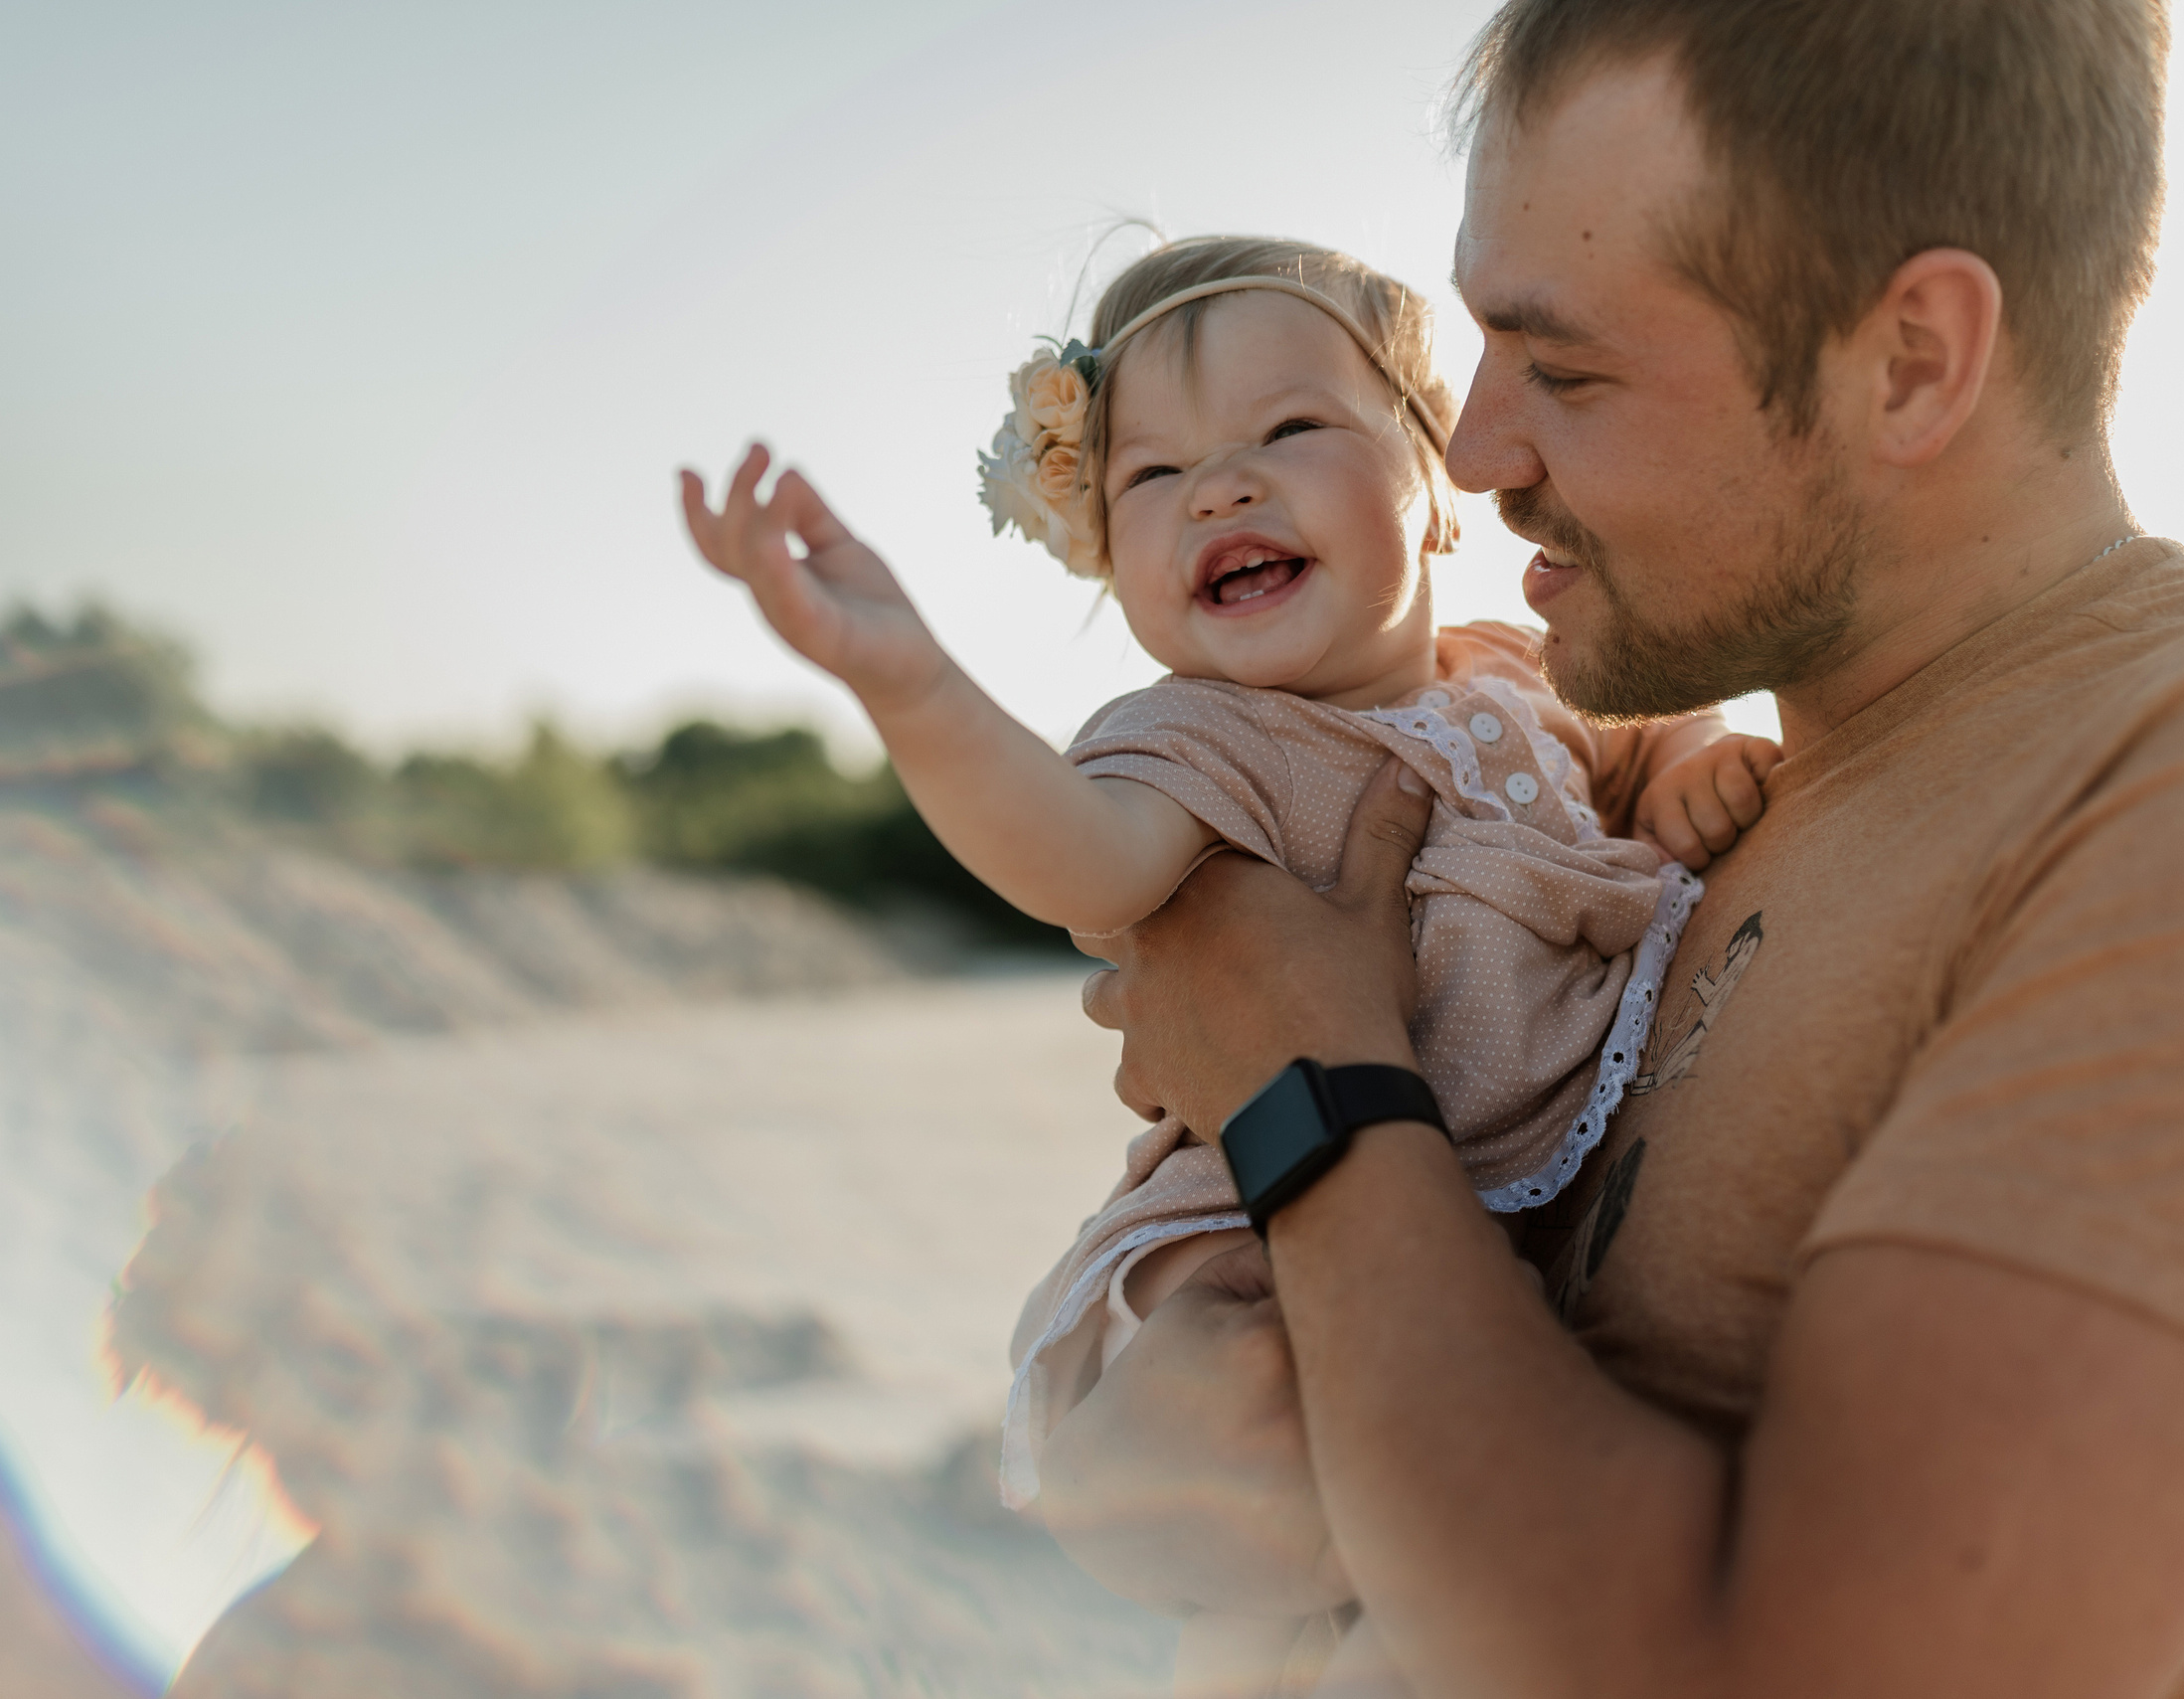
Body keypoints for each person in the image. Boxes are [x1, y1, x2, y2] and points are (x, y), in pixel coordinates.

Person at [1046, 3, 2184, 1697]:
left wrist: (1310, 1086)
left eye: (1570, 366)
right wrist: (1156, 1465)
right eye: (1479, 345)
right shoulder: (1662, 815)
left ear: (1910, 359)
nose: (1474, 451)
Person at [677, 234, 1780, 1677]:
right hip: (1262, 1235)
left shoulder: (1521, 671)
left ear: (1435, 480)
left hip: (1474, 1237)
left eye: (1290, 428)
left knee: (1440, 1476)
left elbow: (1647, 745)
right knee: (1251, 1405)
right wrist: (912, 684)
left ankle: (1322, 1610)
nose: (1221, 485)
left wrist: (1694, 760)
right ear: (1105, 548)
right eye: (1151, 474)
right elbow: (1070, 847)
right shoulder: (1198, 744)